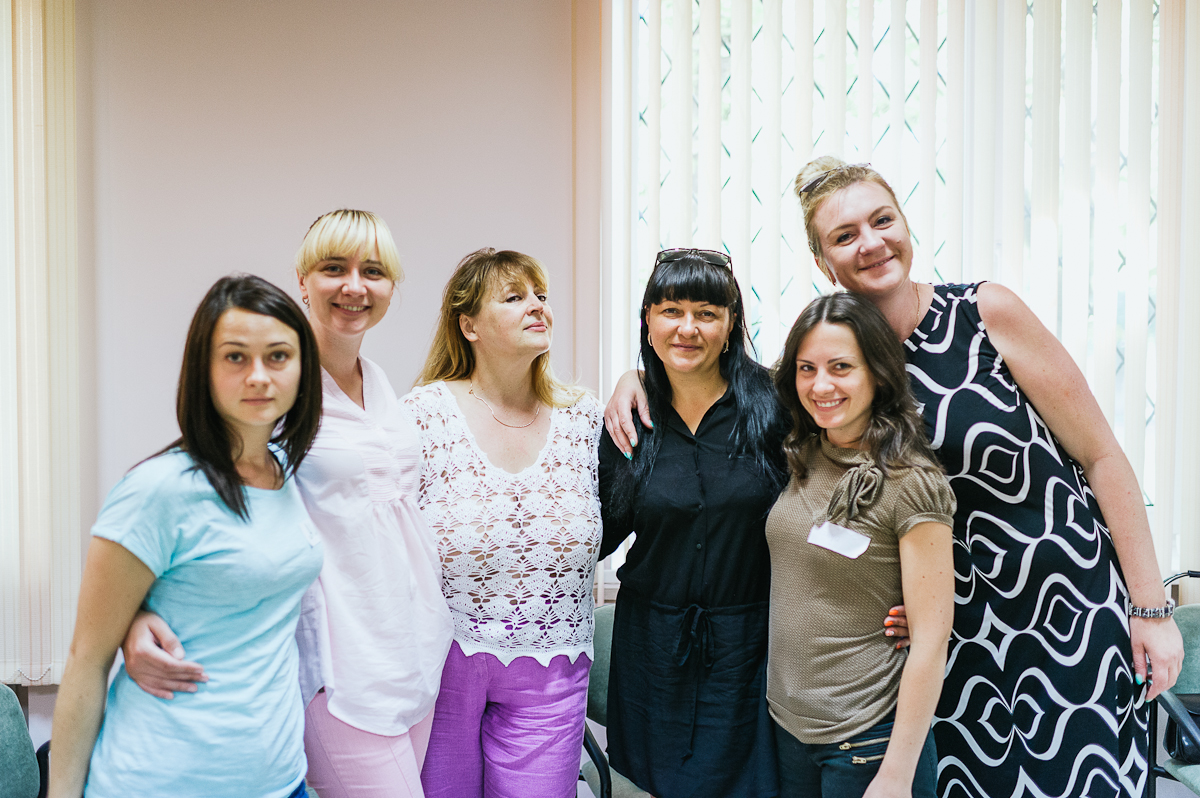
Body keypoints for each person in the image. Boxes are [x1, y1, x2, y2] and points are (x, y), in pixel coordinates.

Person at [607, 158, 1184, 798]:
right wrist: (640, 378)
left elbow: (1102, 456)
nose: (871, 243)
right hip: (943, 633)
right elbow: (740, 394)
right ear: (823, 262)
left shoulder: (984, 314)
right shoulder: (833, 356)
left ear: (906, 225)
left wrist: (1151, 609)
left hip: (1062, 612)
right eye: (844, 235)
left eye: (882, 221)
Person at [122, 210, 455, 798]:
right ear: (302, 279)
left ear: (391, 287)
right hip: (338, 670)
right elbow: (189, 490)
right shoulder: (279, 389)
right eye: (334, 268)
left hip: (414, 655)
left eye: (373, 271)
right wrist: (136, 611)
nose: (354, 286)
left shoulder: (380, 385)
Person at [49, 274, 324, 798]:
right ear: (204, 368)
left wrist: (138, 615)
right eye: (235, 357)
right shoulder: (159, 489)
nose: (259, 376)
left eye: (278, 356)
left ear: (302, 369)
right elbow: (87, 659)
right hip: (162, 780)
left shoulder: (287, 470)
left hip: (281, 779)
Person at [408, 248, 603, 798]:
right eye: (514, 297)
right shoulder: (421, 417)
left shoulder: (584, 419)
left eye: (541, 295)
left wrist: (636, 376)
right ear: (468, 325)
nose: (537, 307)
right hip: (443, 663)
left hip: (553, 664)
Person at [597, 248, 791, 797]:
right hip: (652, 652)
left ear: (731, 325)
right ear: (648, 321)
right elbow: (597, 533)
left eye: (707, 313)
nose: (688, 328)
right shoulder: (628, 418)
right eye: (671, 311)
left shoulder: (776, 407)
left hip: (751, 647)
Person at [766, 291, 954, 798]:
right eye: (807, 369)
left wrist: (896, 774)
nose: (821, 385)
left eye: (841, 367)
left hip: (868, 741)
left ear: (878, 373)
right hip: (789, 731)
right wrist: (636, 377)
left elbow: (931, 640)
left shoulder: (911, 481)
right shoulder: (805, 452)